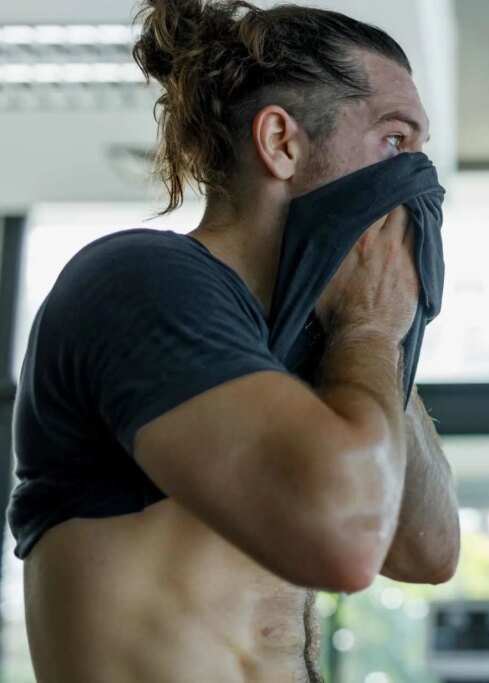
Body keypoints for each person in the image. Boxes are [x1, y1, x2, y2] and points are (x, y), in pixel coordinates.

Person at [6, 1, 460, 681]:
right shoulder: (140, 282)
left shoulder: (319, 347)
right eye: (396, 143)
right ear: (281, 142)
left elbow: (429, 549)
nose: (417, 182)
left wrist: (372, 328)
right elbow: (347, 542)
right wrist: (370, 327)